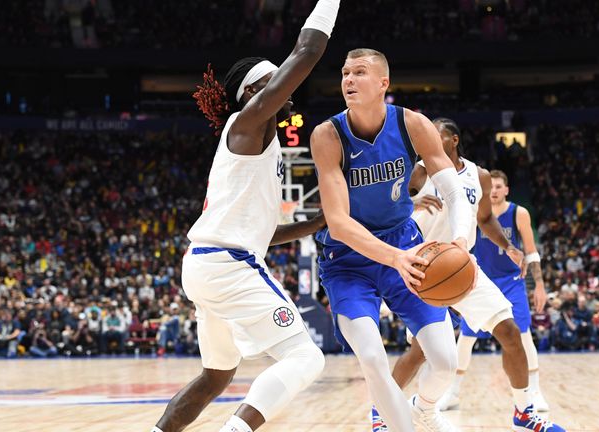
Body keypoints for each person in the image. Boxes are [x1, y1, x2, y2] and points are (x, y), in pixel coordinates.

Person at [312, 49, 564, 432]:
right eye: (345, 73)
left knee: (445, 361)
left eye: (359, 72)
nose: (348, 79)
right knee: (373, 358)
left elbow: (453, 188)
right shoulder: (327, 135)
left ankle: (435, 411)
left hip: (417, 251)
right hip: (351, 257)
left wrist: (461, 241)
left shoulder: (412, 124)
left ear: (384, 83)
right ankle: (388, 421)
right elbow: (339, 223)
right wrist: (398, 254)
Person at [151, 2, 338, 432]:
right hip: (227, 266)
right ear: (255, 93)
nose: (287, 88)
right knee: (306, 359)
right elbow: (307, 53)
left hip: (207, 264)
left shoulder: (258, 142)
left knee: (216, 375)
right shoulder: (247, 123)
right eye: (276, 80)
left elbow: (261, 232)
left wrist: (316, 223)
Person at [385, 122, 553, 416]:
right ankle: (382, 410)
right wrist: (411, 202)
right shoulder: (419, 171)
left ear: (454, 140)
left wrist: (509, 246)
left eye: (437, 134)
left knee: (510, 331)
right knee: (421, 352)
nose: (430, 139)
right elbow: (385, 207)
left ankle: (525, 412)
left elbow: (486, 219)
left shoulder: (479, 175)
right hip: (425, 269)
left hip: (462, 266)